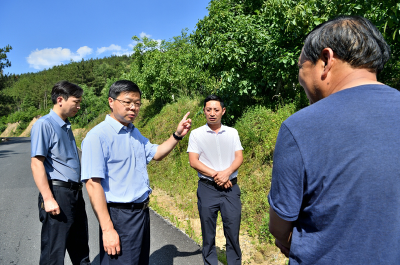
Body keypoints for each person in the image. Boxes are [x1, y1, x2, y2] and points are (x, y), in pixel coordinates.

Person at [268, 15, 400, 264]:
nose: (301, 80)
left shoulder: (299, 127)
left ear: (326, 60)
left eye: (301, 67)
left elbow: (279, 227)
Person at [81, 80, 192, 265]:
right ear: (111, 101)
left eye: (137, 103)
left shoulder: (133, 132)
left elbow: (156, 154)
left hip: (141, 214)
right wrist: (107, 229)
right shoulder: (97, 136)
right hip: (119, 216)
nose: (133, 107)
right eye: (127, 102)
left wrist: (177, 135)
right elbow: (93, 184)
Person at [30, 81, 91, 265]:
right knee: (53, 254)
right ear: (60, 100)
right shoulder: (44, 124)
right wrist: (48, 198)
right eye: (76, 102)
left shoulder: (66, 125)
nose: (79, 106)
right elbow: (36, 163)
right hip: (58, 193)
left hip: (75, 193)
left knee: (80, 247)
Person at [187, 95, 243, 265]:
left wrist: (227, 173)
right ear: (204, 111)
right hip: (207, 189)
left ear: (223, 111)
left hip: (230, 189)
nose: (212, 113)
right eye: (208, 109)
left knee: (233, 232)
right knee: (208, 233)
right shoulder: (196, 134)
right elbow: (193, 161)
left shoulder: (232, 133)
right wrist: (218, 175)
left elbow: (239, 157)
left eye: (216, 110)